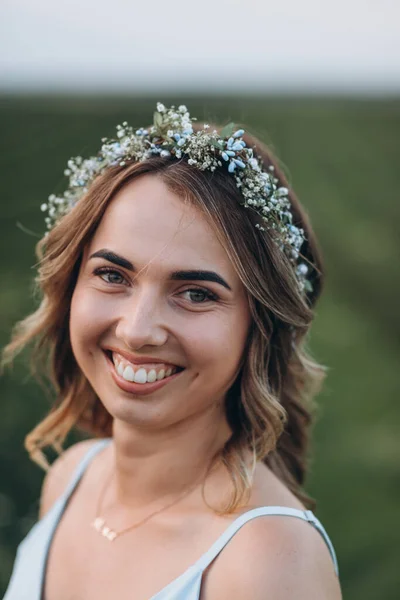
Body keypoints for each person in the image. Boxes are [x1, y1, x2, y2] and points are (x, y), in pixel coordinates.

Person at [2, 102, 342, 599]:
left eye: (196, 293)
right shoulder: (71, 478)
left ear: (260, 326)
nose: (138, 331)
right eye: (112, 275)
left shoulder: (269, 561)